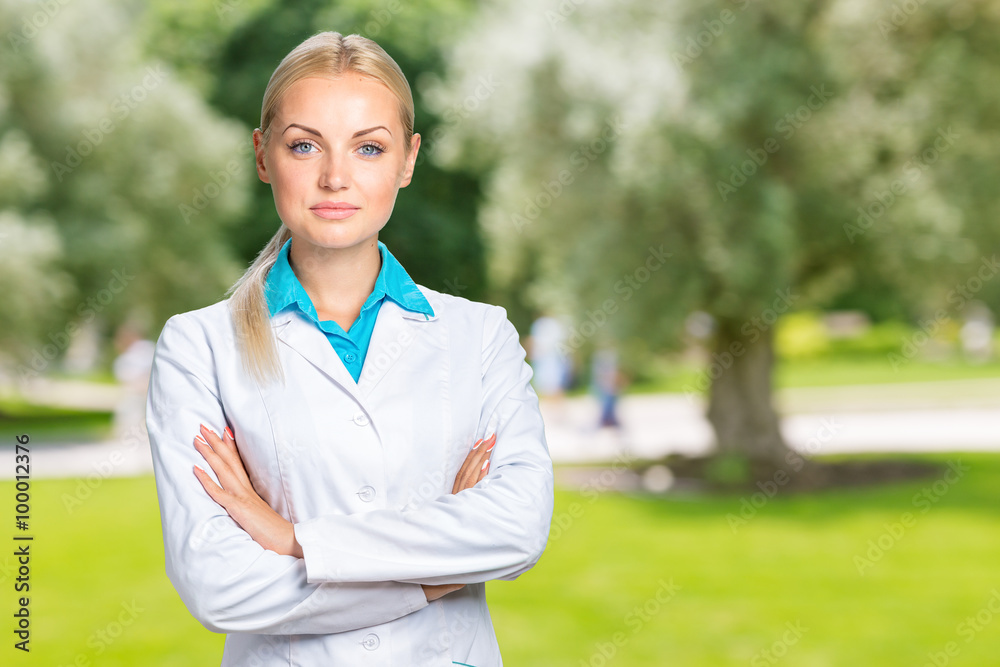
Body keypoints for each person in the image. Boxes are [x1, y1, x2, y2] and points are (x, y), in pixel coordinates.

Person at [145, 31, 554, 666]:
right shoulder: (198, 347)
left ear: (408, 160)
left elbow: (517, 529)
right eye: (304, 146)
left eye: (369, 148)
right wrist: (434, 576)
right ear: (262, 155)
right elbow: (219, 588)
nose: (335, 177)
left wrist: (291, 541)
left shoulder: (480, 337)